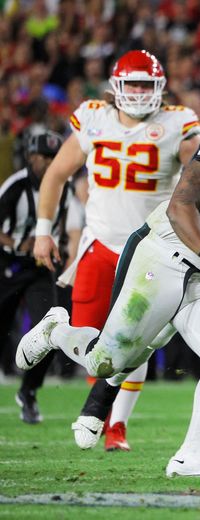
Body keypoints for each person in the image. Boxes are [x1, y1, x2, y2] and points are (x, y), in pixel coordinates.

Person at [17, 79, 200, 477]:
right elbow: (180, 207)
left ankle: (190, 455)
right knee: (108, 361)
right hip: (165, 257)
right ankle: (56, 331)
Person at [33, 50, 200, 452]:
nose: (142, 93)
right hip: (100, 243)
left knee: (136, 339)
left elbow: (199, 169)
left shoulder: (177, 121)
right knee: (92, 338)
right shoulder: (94, 117)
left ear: (160, 88)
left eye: (149, 85)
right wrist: (44, 231)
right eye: (135, 84)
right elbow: (57, 174)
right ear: (116, 87)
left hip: (153, 248)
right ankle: (58, 335)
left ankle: (116, 425)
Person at [0, 131, 81, 423]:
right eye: (43, 157)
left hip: (39, 269)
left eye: (52, 157)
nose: (48, 163)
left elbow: (71, 225)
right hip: (7, 266)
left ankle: (29, 391)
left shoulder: (66, 186)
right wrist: (15, 243)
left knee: (48, 331)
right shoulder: (15, 186)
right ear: (30, 157)